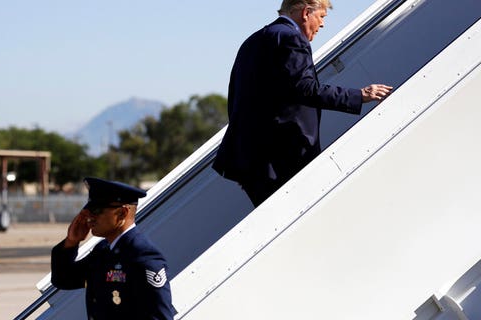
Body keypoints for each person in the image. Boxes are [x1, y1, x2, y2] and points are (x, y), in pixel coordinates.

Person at [212, 0, 393, 207]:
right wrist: (359, 95)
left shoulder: (252, 41)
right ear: (306, 13)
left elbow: (236, 98)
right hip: (282, 161)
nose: (323, 24)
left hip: (250, 161)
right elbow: (306, 89)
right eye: (322, 16)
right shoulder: (291, 38)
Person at [51, 177, 175, 320]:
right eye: (88, 209)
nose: (89, 217)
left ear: (122, 213)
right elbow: (63, 279)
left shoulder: (142, 257)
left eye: (96, 210)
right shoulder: (103, 251)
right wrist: (71, 242)